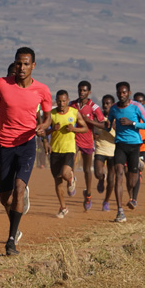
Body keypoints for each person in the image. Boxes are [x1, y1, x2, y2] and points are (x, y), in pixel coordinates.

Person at [0, 47, 52, 255]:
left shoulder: (42, 90)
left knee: (17, 188)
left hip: (26, 144)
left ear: (33, 66)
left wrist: (43, 127)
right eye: (18, 63)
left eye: (26, 64)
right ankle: (15, 226)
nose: (22, 67)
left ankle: (10, 241)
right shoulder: (1, 84)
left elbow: (48, 117)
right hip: (5, 145)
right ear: (14, 64)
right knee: (5, 198)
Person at [106, 82, 145, 222]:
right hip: (120, 144)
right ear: (116, 93)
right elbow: (109, 125)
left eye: (124, 92)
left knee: (131, 182)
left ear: (129, 93)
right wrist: (106, 126)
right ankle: (120, 211)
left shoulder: (137, 106)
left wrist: (132, 123)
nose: (122, 95)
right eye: (119, 93)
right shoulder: (113, 108)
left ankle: (137, 166)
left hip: (134, 146)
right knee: (118, 175)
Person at [46, 90, 87, 218]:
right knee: (57, 181)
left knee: (64, 173)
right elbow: (43, 131)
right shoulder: (52, 114)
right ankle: (63, 207)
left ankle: (70, 178)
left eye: (64, 101)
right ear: (56, 101)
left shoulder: (74, 113)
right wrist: (53, 129)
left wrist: (73, 129)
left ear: (68, 100)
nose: (61, 103)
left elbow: (85, 128)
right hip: (55, 151)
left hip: (69, 150)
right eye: (59, 101)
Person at [69, 81, 105, 211]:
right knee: (70, 158)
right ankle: (71, 180)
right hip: (74, 138)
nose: (82, 93)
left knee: (86, 170)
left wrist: (90, 121)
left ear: (89, 92)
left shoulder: (94, 107)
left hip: (88, 140)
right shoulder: (72, 105)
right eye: (80, 90)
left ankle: (88, 194)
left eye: (84, 90)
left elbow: (103, 123)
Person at [93, 94, 116, 211]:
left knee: (112, 179)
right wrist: (94, 133)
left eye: (108, 103)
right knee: (97, 173)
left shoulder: (116, 117)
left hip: (113, 150)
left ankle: (106, 201)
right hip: (100, 148)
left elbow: (115, 129)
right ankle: (101, 179)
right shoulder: (98, 116)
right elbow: (94, 128)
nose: (106, 105)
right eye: (104, 103)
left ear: (113, 105)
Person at [129, 92, 145, 209]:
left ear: (144, 103)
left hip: (142, 149)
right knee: (129, 173)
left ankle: (134, 199)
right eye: (137, 101)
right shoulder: (130, 114)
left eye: (141, 102)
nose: (139, 104)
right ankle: (130, 196)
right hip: (131, 146)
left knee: (137, 171)